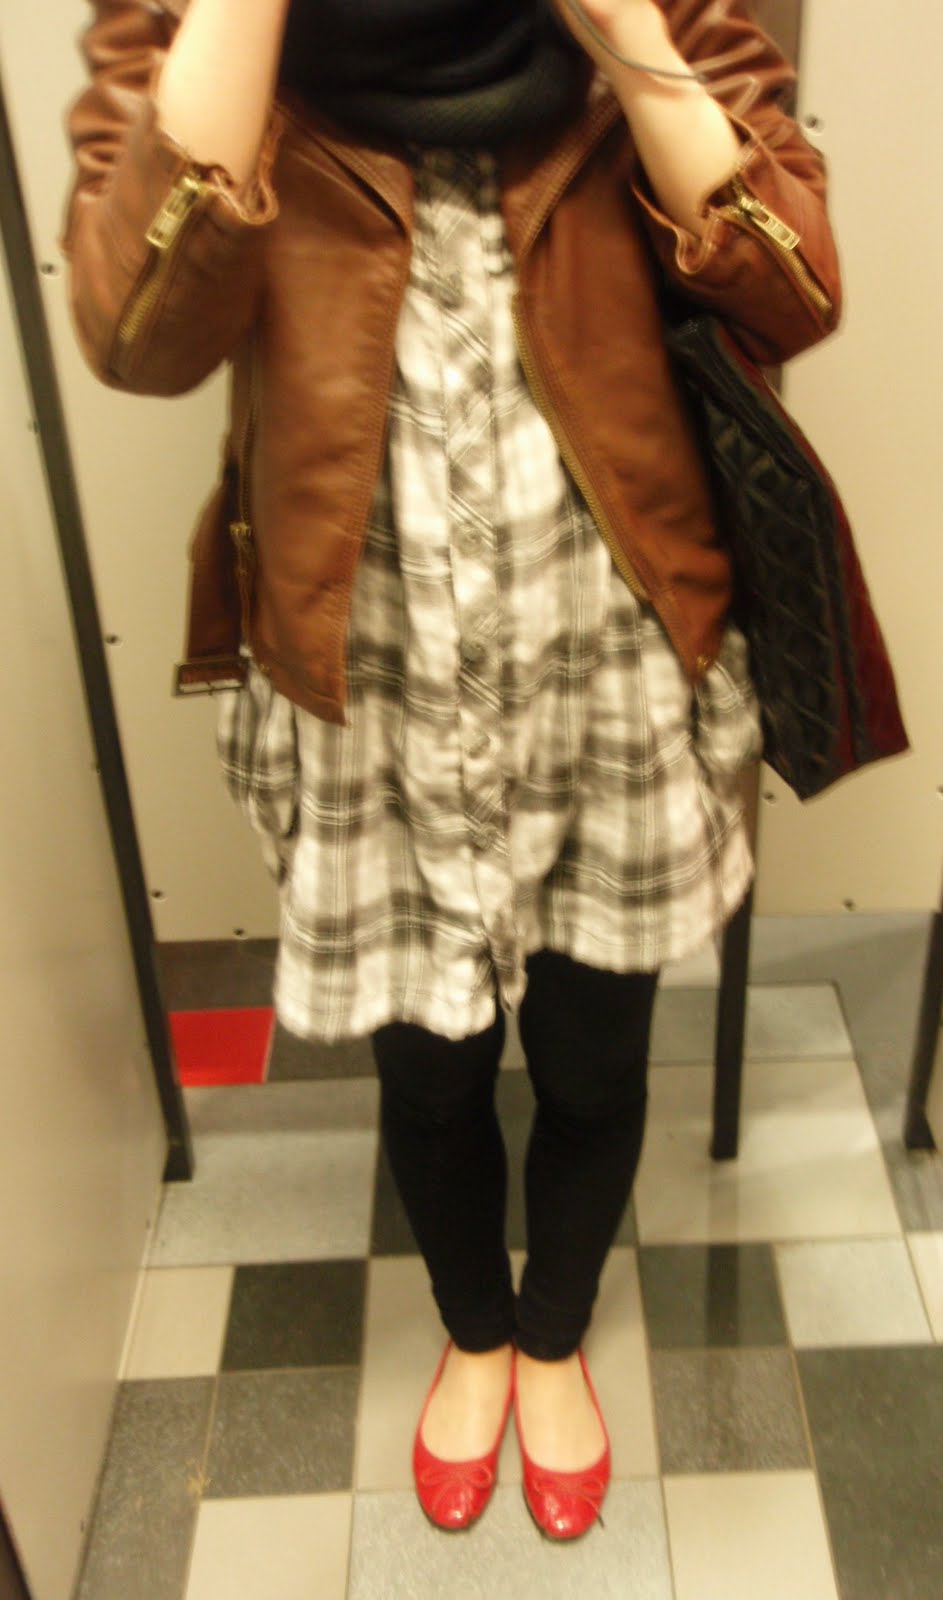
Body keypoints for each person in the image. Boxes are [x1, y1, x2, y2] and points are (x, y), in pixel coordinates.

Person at [63, 0, 841, 1541]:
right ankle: (476, 1332)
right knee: (427, 1066)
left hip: (610, 651)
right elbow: (136, 336)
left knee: (596, 1060)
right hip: (371, 672)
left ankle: (553, 1338)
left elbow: (795, 283)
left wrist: (618, 26)